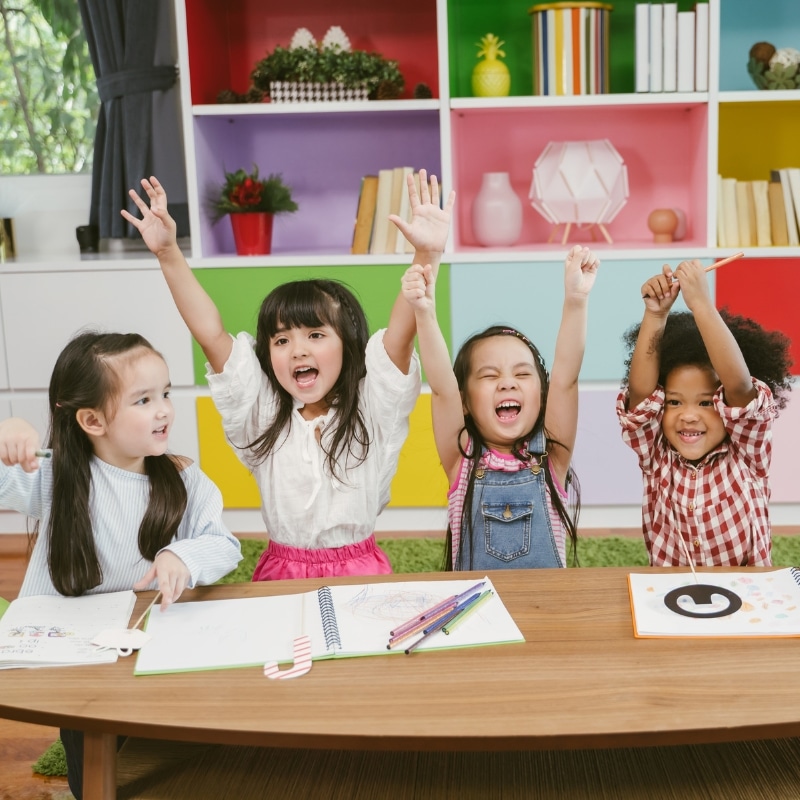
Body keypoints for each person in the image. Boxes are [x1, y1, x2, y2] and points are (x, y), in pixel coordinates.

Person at [122, 171, 455, 580]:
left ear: (348, 346)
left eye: (315, 334)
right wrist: (169, 252)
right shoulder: (262, 414)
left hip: (360, 570)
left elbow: (401, 337)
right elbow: (210, 332)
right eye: (281, 340)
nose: (297, 349)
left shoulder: (373, 408)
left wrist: (426, 254)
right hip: (282, 571)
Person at [0, 330, 242, 800]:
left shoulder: (184, 477)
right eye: (144, 400)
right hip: (73, 657)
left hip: (152, 641)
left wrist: (182, 555)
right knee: (93, 769)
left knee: (166, 753)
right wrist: (8, 432)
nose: (164, 409)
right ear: (92, 420)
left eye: (166, 393)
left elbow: (224, 544)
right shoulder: (52, 474)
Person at [401, 244, 600, 570]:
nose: (507, 383)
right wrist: (424, 311)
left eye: (522, 374)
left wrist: (576, 301)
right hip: (477, 614)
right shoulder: (461, 458)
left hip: (547, 614)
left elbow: (566, 377)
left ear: (542, 396)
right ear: (465, 402)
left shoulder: (552, 457)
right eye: (489, 375)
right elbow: (441, 389)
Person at [617, 259, 793, 567]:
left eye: (705, 402)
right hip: (672, 593)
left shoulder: (748, 453)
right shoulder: (656, 456)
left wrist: (701, 306)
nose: (688, 415)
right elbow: (641, 397)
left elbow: (739, 385)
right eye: (674, 402)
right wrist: (655, 314)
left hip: (746, 594)